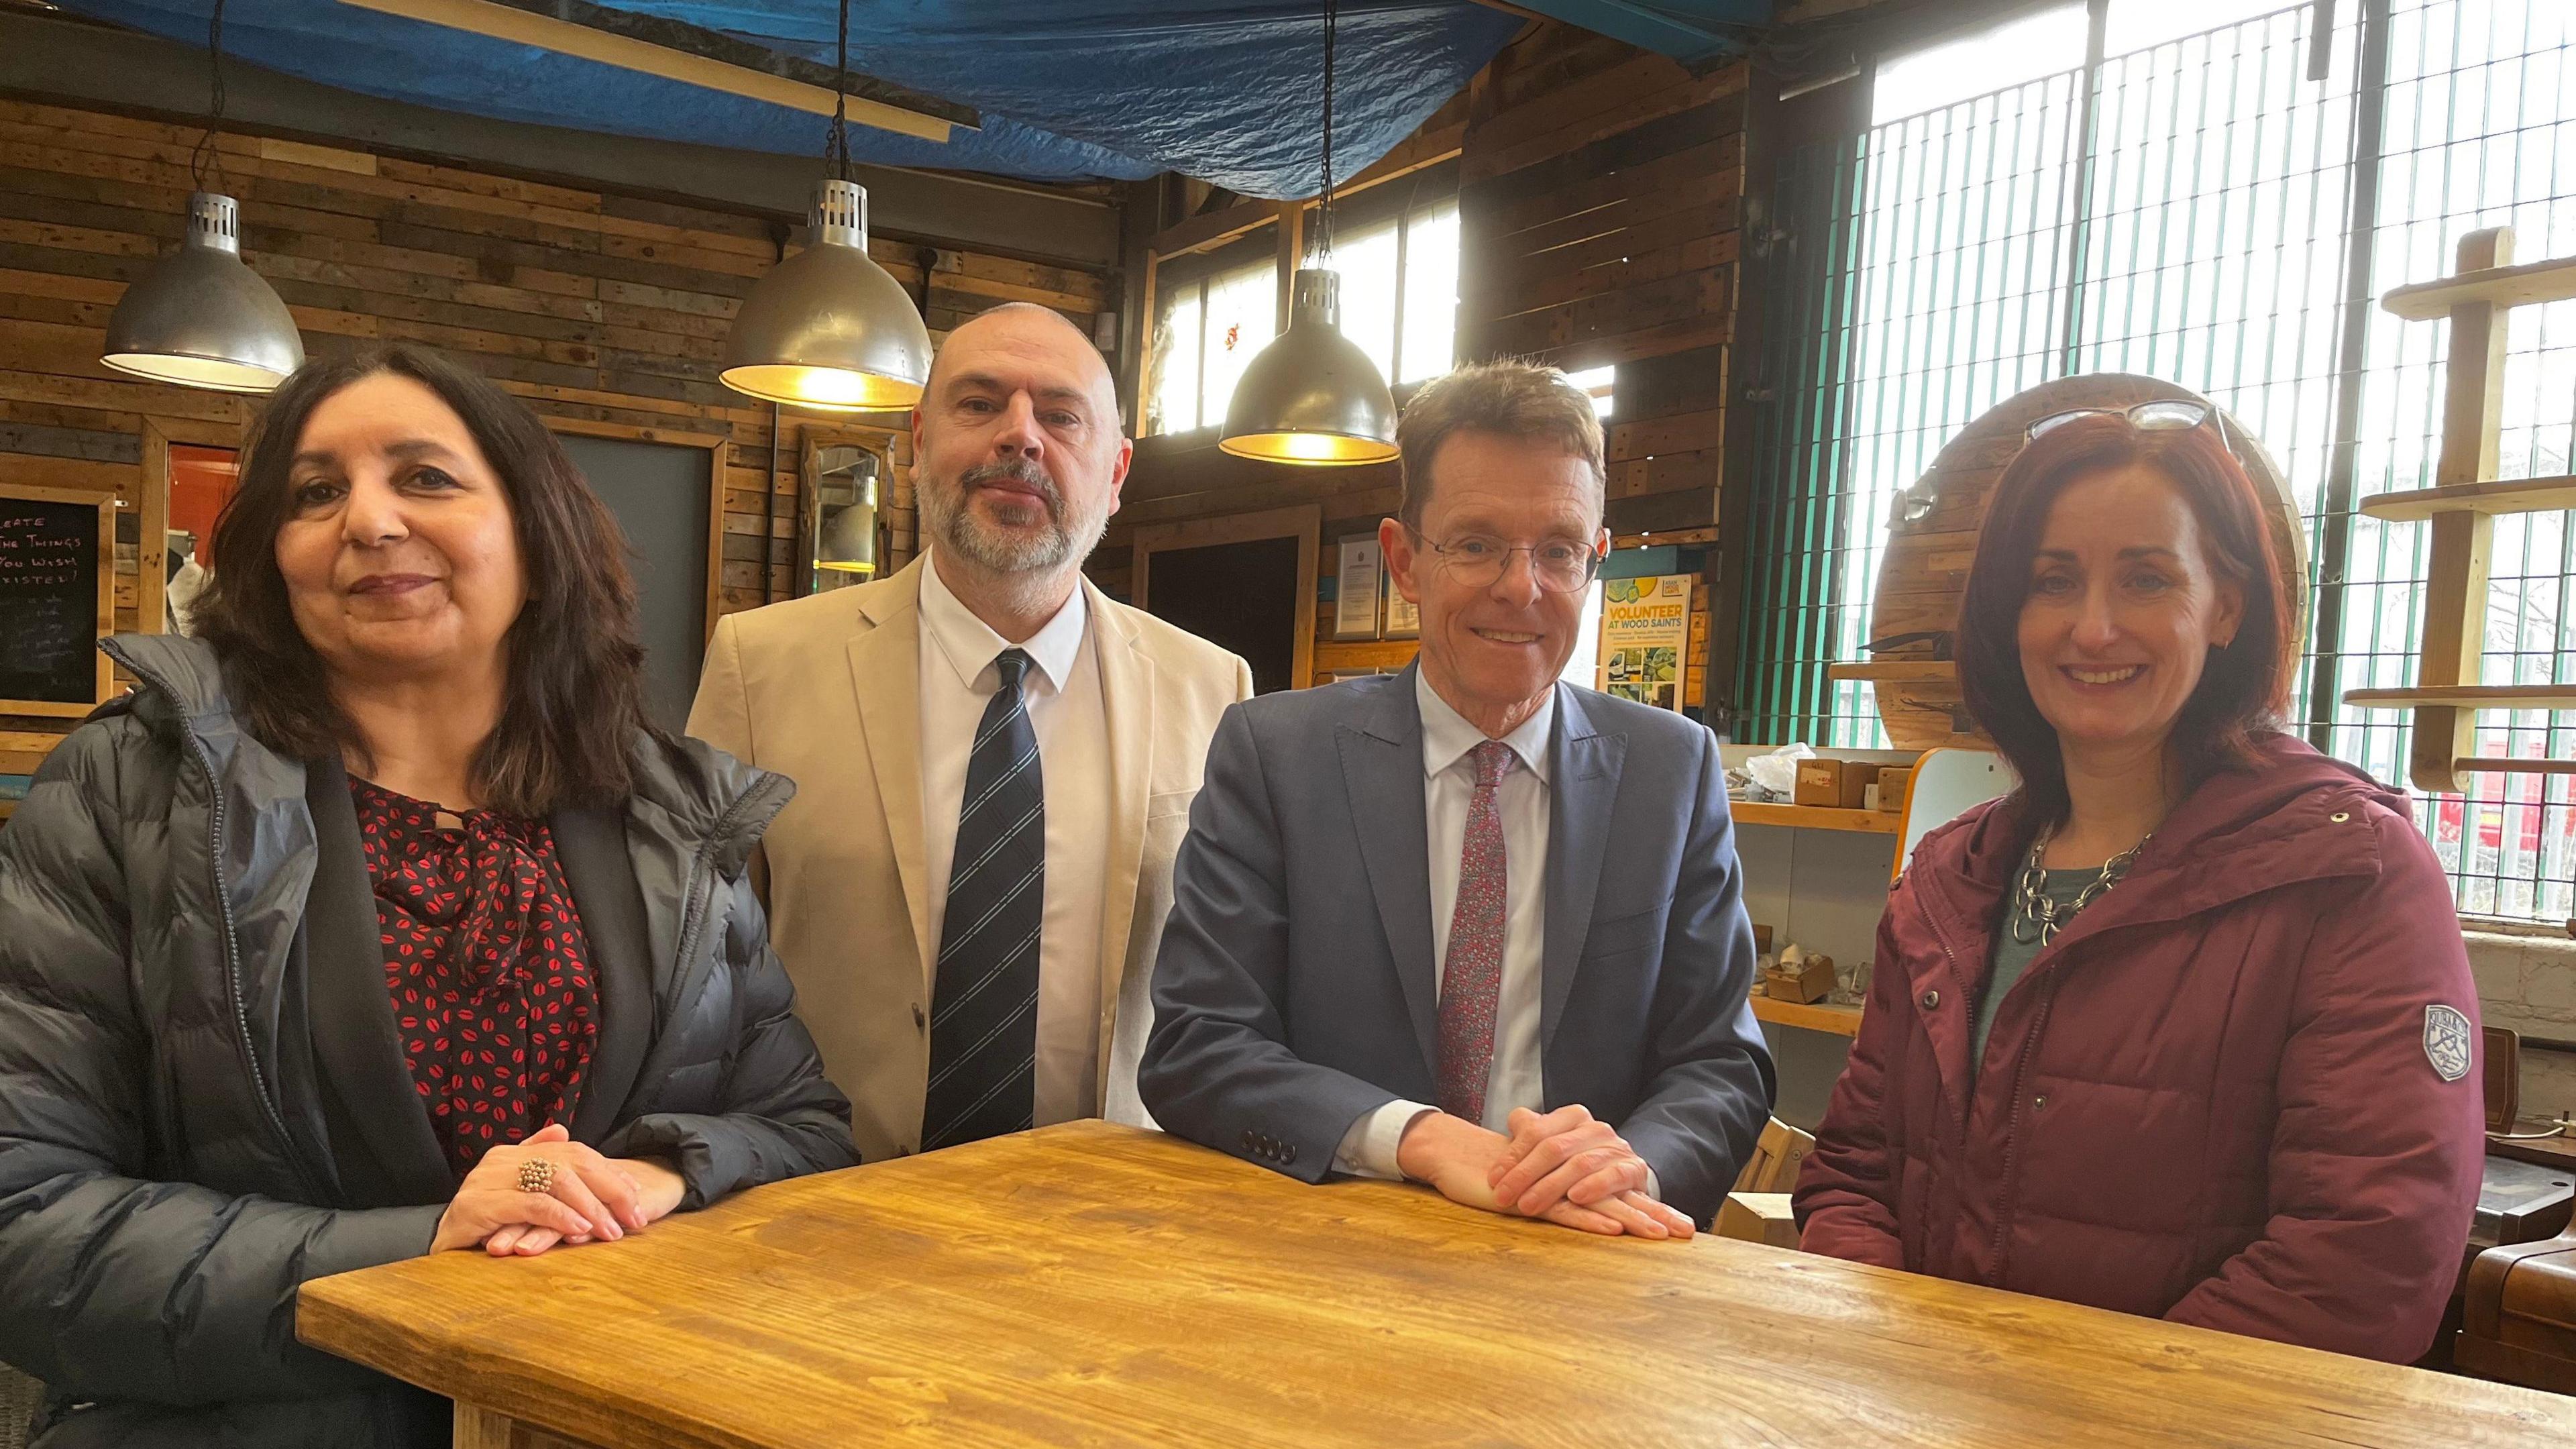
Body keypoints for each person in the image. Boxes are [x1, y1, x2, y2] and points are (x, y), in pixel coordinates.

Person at [0, 346, 857, 1446]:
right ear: (275, 553)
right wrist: (418, 1252)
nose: (367, 519)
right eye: (316, 491)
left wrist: (660, 1175)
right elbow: (25, 1219)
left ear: (536, 542)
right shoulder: (135, 795)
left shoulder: (669, 819)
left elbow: (802, 1134)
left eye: (425, 478)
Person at [1794, 400, 2483, 1361]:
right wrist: (1894, 1370)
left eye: (2147, 577)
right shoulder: (1950, 879)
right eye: (2053, 581)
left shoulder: (2348, 872)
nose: (2095, 626)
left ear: (2227, 606)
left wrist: (2080, 1413)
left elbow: (2365, 1260)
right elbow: (1854, 1176)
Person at [1139, 360, 1776, 1237]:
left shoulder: (1673, 772)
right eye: (1476, 544)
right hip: (1327, 1250)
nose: (1522, 587)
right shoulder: (1276, 757)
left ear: (1595, 562)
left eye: (1557, 549)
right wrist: (1424, 1141)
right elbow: (1197, 1047)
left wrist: (1627, 1165)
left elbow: (1720, 1063)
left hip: (1587, 1258)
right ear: (1405, 560)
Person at [689, 303, 1252, 1162]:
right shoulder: (759, 666)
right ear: (917, 441)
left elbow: (1239, 982)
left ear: (1117, 471)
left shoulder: (1215, 689)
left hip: (1116, 1220)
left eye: (1061, 416)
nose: (1019, 437)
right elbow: (697, 970)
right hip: (822, 1209)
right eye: (980, 404)